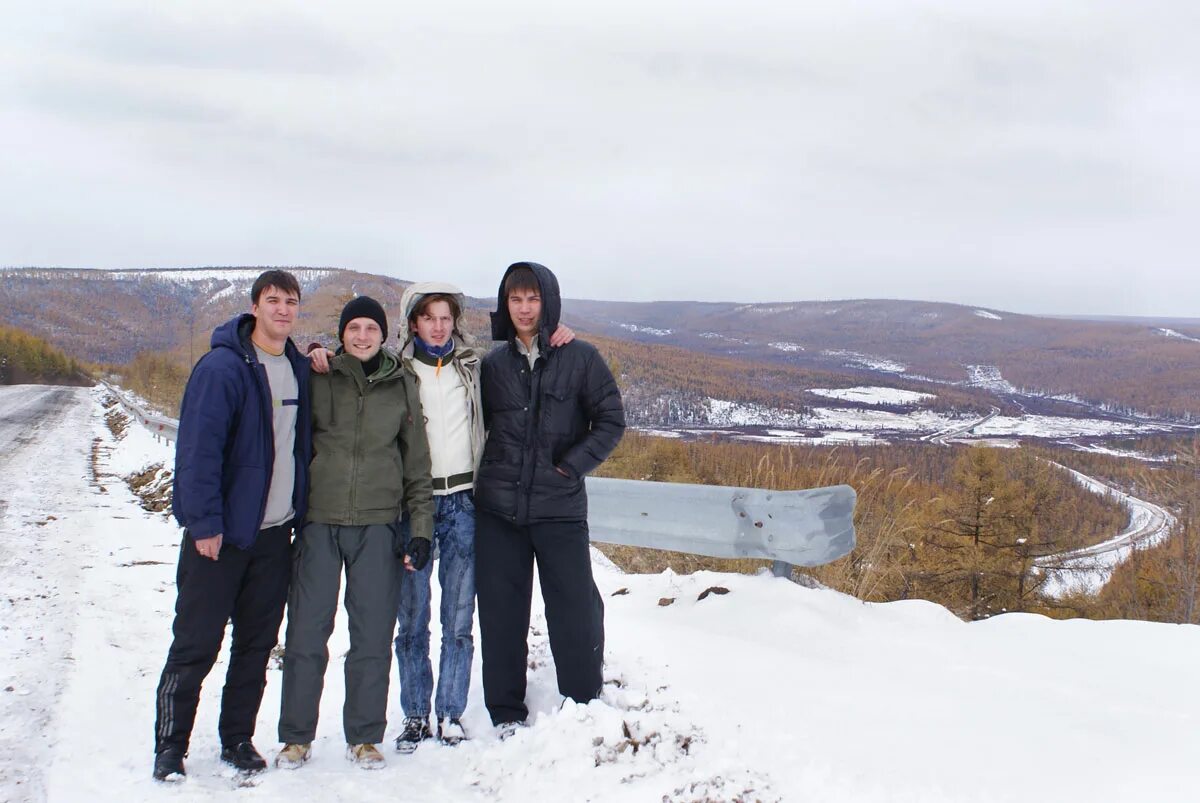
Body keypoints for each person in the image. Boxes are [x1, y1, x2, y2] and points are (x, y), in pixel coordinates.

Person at [153, 270, 312, 781]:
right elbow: (197, 453)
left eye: (290, 301)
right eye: (273, 301)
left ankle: (237, 738)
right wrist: (203, 524)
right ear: (254, 306)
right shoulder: (222, 368)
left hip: (273, 535)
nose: (282, 310)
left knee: (256, 644)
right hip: (220, 538)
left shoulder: (297, 368)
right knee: (196, 642)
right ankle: (170, 747)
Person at [275, 296, 434, 770]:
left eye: (371, 328)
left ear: (383, 336)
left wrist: (420, 528)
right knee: (306, 632)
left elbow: (417, 462)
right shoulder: (320, 375)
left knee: (371, 636)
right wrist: (309, 353)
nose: (362, 336)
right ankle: (296, 737)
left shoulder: (401, 382)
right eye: (354, 328)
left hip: (379, 526)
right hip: (320, 522)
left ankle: (364, 736)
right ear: (342, 334)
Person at [474, 261, 625, 735]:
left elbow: (610, 420)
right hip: (499, 509)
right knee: (501, 611)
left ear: (548, 302)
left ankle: (582, 700)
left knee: (574, 606)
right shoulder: (492, 365)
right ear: (505, 304)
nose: (523, 308)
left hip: (559, 508)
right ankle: (504, 711)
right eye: (515, 299)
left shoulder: (580, 357)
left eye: (533, 299)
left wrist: (569, 467)